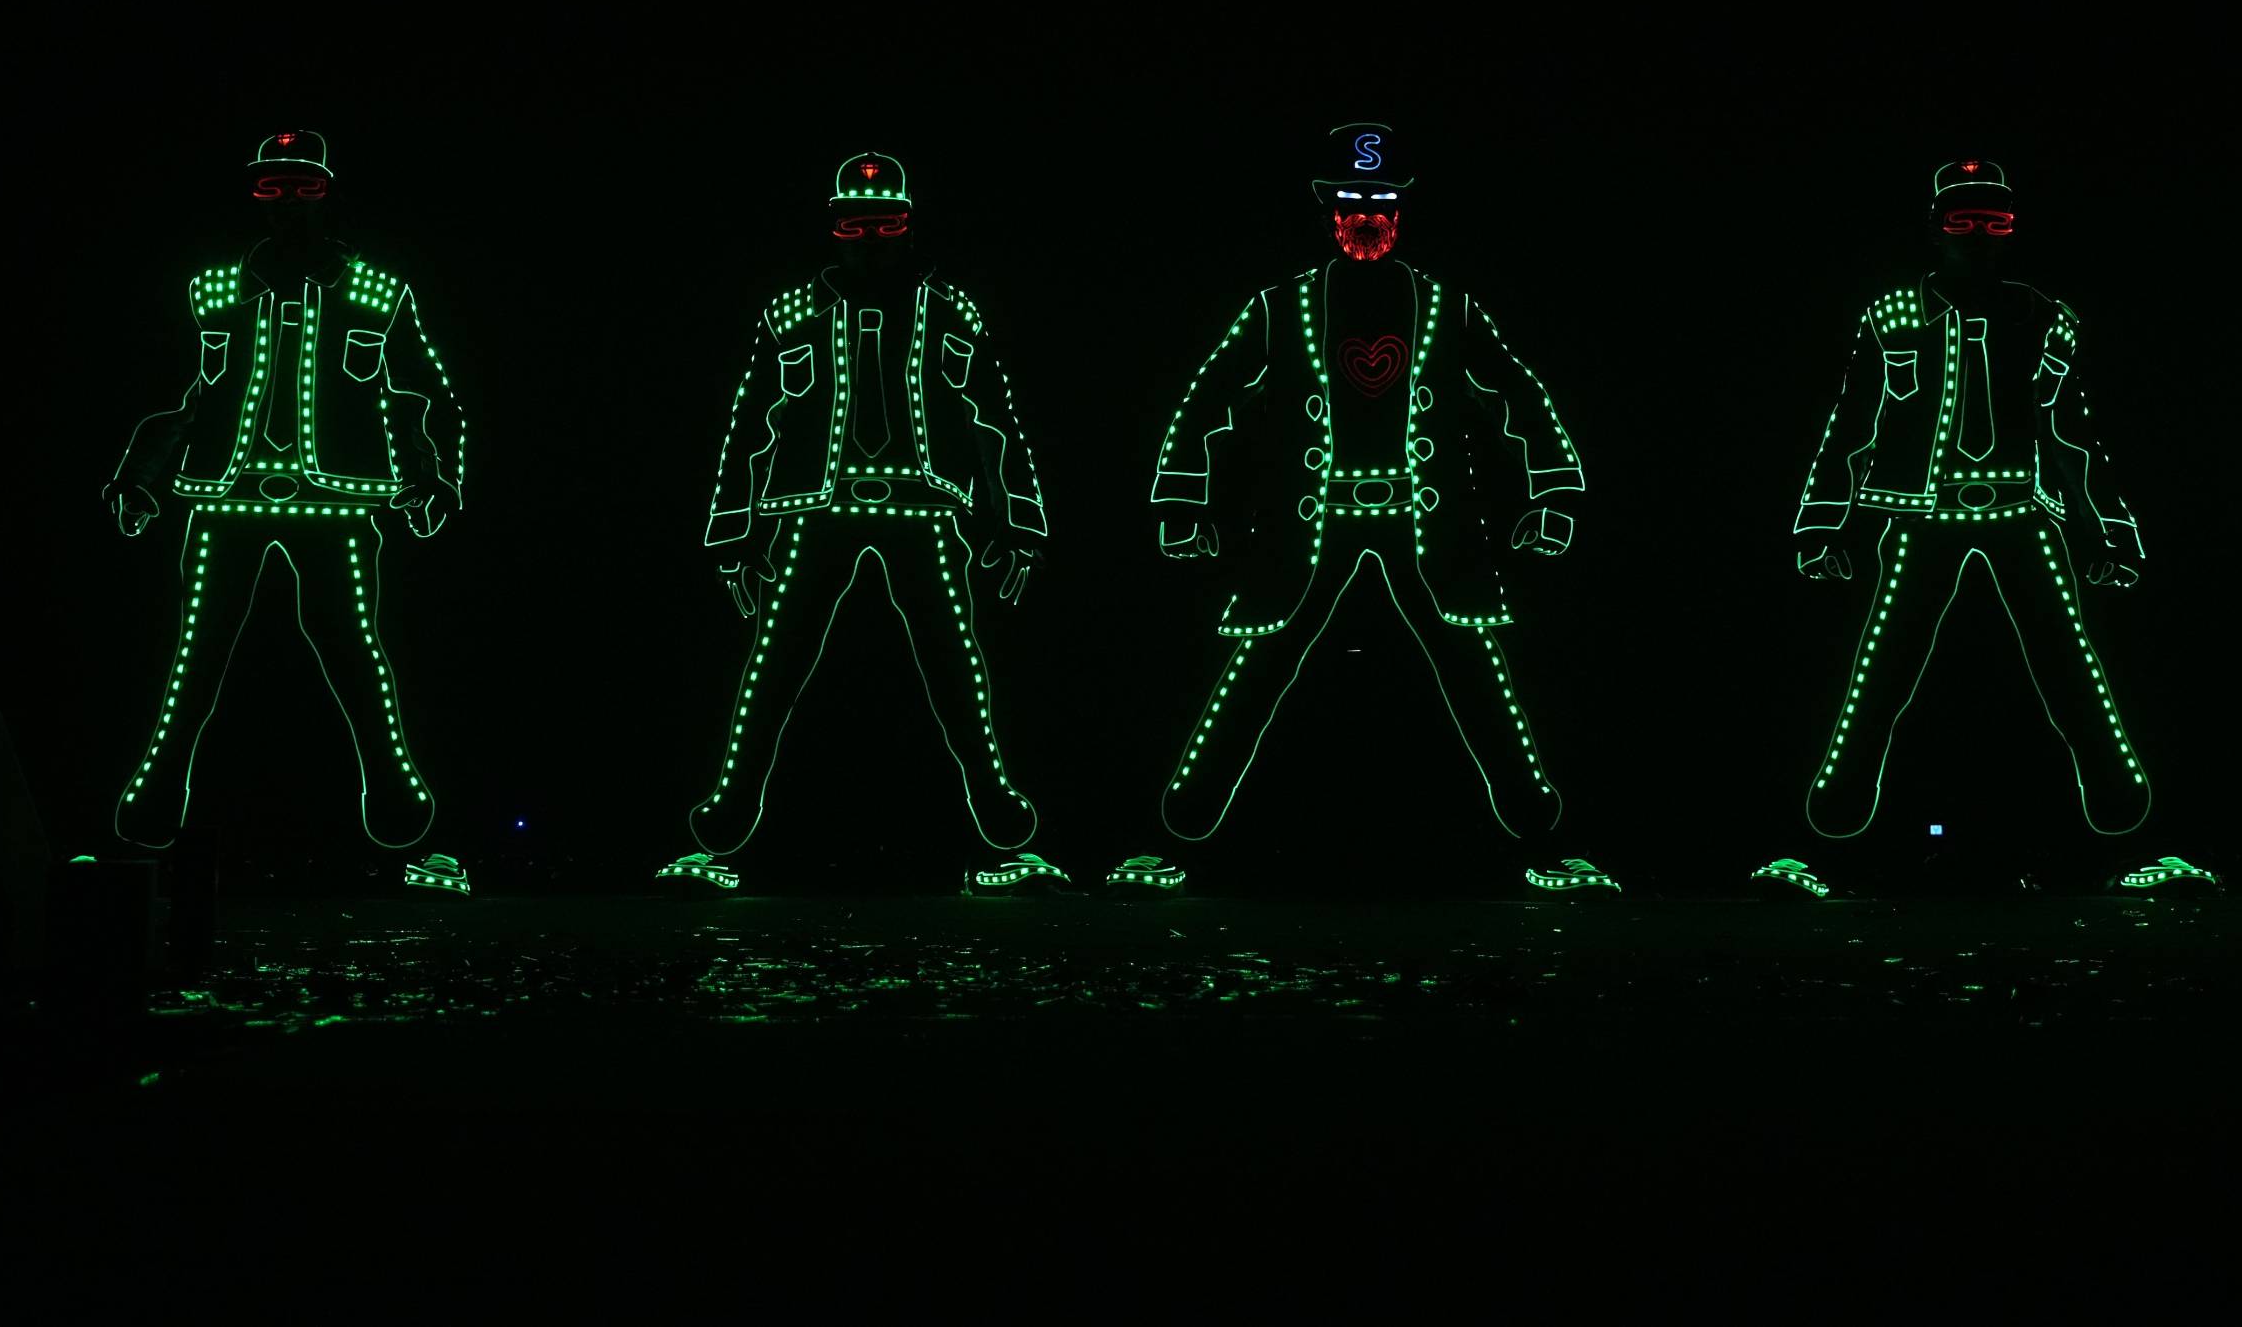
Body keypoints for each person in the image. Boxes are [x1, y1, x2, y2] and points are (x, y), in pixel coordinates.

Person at [1119, 123, 1615, 896]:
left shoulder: (1447, 306)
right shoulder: (1280, 307)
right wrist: (1183, 498)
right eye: (1352, 201)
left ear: (1401, 212)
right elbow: (1210, 397)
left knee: (1480, 675)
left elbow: (1516, 392)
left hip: (1427, 521)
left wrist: (1553, 492)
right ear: (1329, 211)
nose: (1367, 215)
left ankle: (1545, 842)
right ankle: (1174, 838)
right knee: (1253, 670)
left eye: (1381, 201)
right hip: (1310, 522)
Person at [1756, 159, 2188, 898]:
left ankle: (2118, 795)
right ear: (1936, 228)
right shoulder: (1893, 316)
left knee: (2067, 656)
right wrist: (1822, 523)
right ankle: (1840, 800)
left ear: (2013, 229)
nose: (1981, 234)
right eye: (1964, 219)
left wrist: (2112, 532)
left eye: (1997, 220)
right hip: (1922, 515)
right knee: (1884, 664)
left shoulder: (2046, 318)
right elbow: (1853, 422)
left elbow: (2074, 434)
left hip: (2021, 511)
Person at [660, 153, 1055, 892]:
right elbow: (752, 426)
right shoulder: (791, 316)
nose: (870, 241)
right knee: (774, 663)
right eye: (854, 226)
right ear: (833, 230)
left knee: (954, 662)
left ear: (909, 227)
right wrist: (734, 533)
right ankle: (727, 818)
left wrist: (1017, 524)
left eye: (886, 225)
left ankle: (999, 816)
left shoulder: (950, 312)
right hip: (818, 511)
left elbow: (993, 420)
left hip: (921, 506)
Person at [105, 129, 461, 859]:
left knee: (350, 644)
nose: (287, 200)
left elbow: (423, 393)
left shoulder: (377, 292)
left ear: (327, 192)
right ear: (255, 194)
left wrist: (433, 475)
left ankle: (393, 788)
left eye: (304, 185)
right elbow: (178, 398)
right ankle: (157, 792)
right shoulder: (212, 290)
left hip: (335, 502)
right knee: (198, 651)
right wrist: (138, 476)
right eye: (270, 186)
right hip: (225, 498)